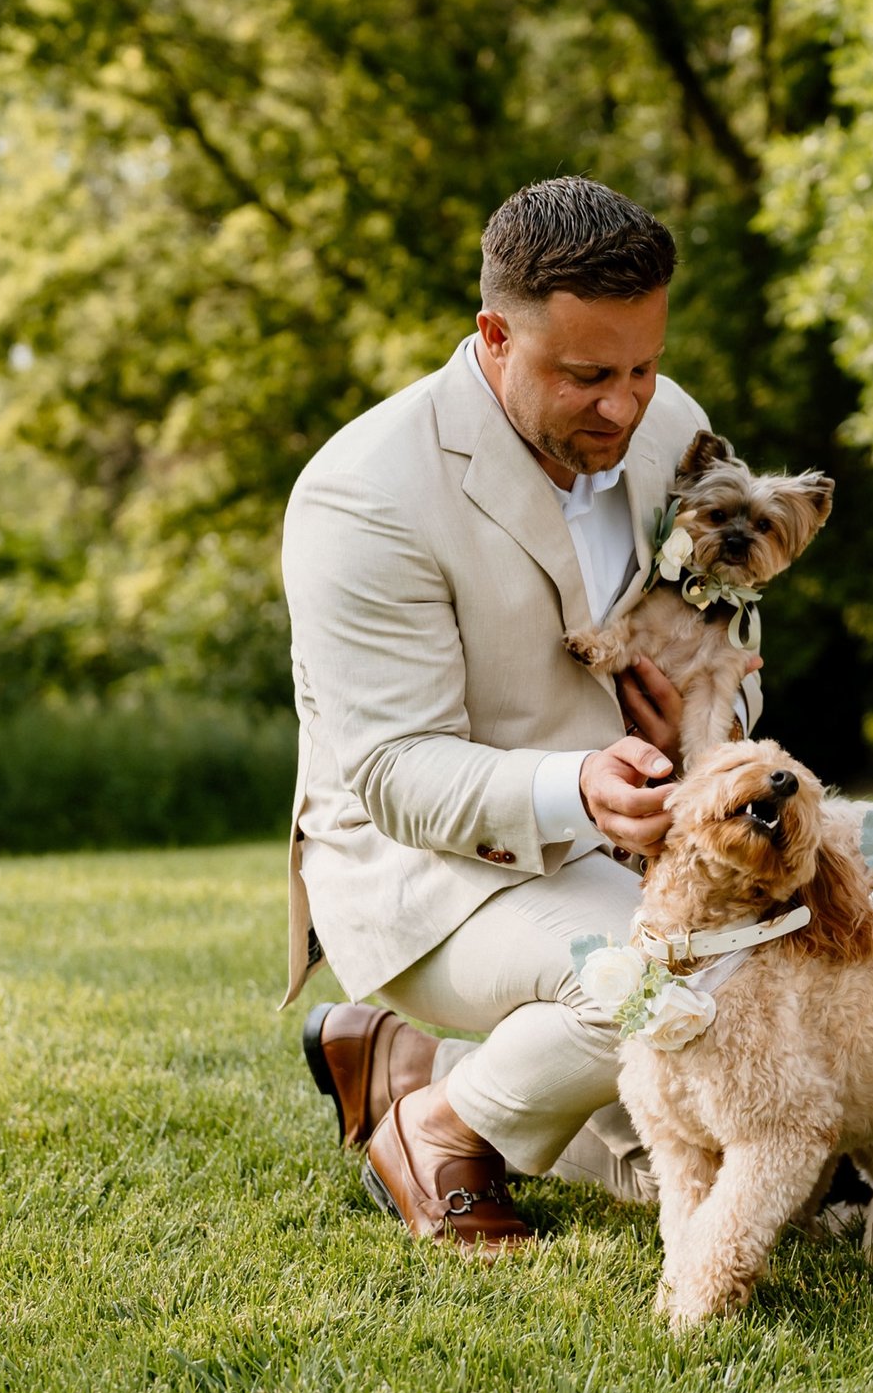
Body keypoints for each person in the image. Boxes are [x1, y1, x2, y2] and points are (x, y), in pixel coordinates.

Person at [278, 177, 757, 1254]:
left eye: (642, 366)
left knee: (729, 1098)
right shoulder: (363, 491)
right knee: (673, 975)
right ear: (495, 334)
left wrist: (695, 707)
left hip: (638, 838)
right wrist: (575, 787)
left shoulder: (670, 425)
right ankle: (433, 1125)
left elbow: (728, 637)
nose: (627, 407)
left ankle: (411, 1062)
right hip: (433, 870)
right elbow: (392, 771)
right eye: (588, 374)